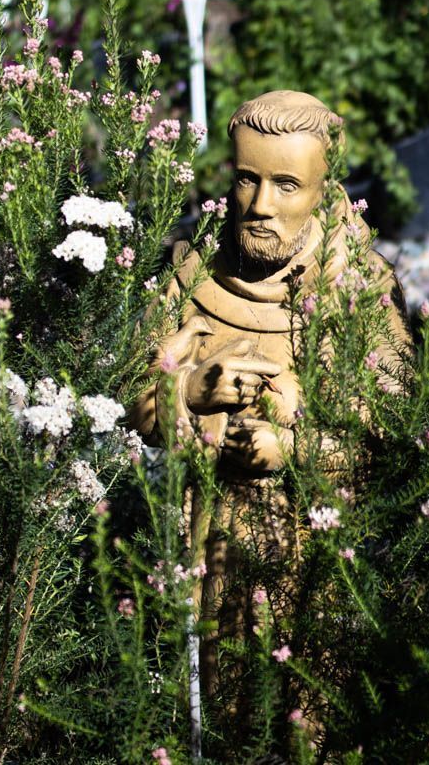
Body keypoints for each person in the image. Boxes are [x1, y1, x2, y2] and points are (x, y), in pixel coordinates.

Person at [129, 90, 410, 700]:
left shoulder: (356, 292)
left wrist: (296, 441)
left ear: (324, 189)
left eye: (287, 185)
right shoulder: (193, 274)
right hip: (198, 547)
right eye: (246, 180)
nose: (260, 205)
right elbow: (134, 403)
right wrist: (186, 389)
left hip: (313, 557)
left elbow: (391, 430)